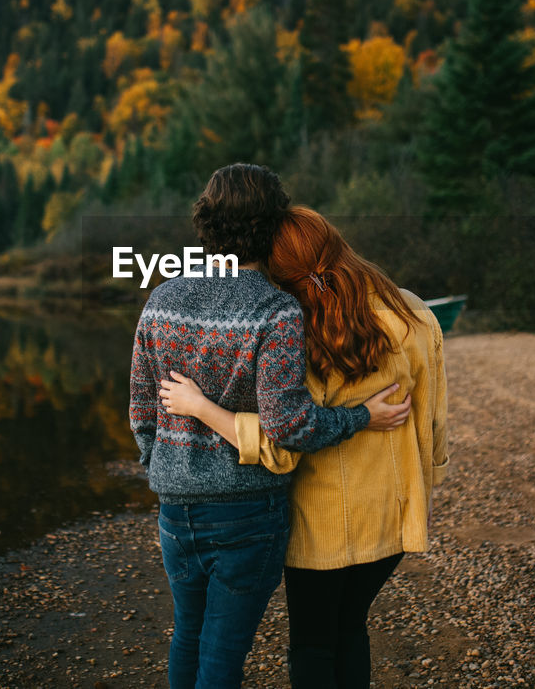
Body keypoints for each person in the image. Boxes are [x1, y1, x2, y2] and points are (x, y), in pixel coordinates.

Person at [129, 166, 412, 689]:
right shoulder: (277, 311)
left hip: (175, 506)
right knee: (220, 653)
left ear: (206, 224)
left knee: (187, 636)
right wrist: (362, 416)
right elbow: (290, 425)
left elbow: (142, 410)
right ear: (274, 226)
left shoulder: (162, 299)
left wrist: (164, 468)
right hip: (246, 511)